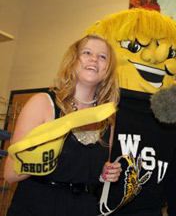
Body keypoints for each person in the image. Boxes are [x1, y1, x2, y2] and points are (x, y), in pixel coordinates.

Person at [86, 8, 176, 215]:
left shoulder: (169, 124)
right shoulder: (95, 112)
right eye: (134, 46)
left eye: (171, 52)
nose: (154, 57)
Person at [4, 35, 122, 216]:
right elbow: (9, 173)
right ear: (73, 60)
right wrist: (41, 153)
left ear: (107, 69)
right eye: (87, 53)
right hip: (37, 207)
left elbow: (90, 172)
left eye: (102, 56)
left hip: (84, 208)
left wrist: (105, 173)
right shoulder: (43, 103)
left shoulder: (107, 118)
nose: (94, 59)